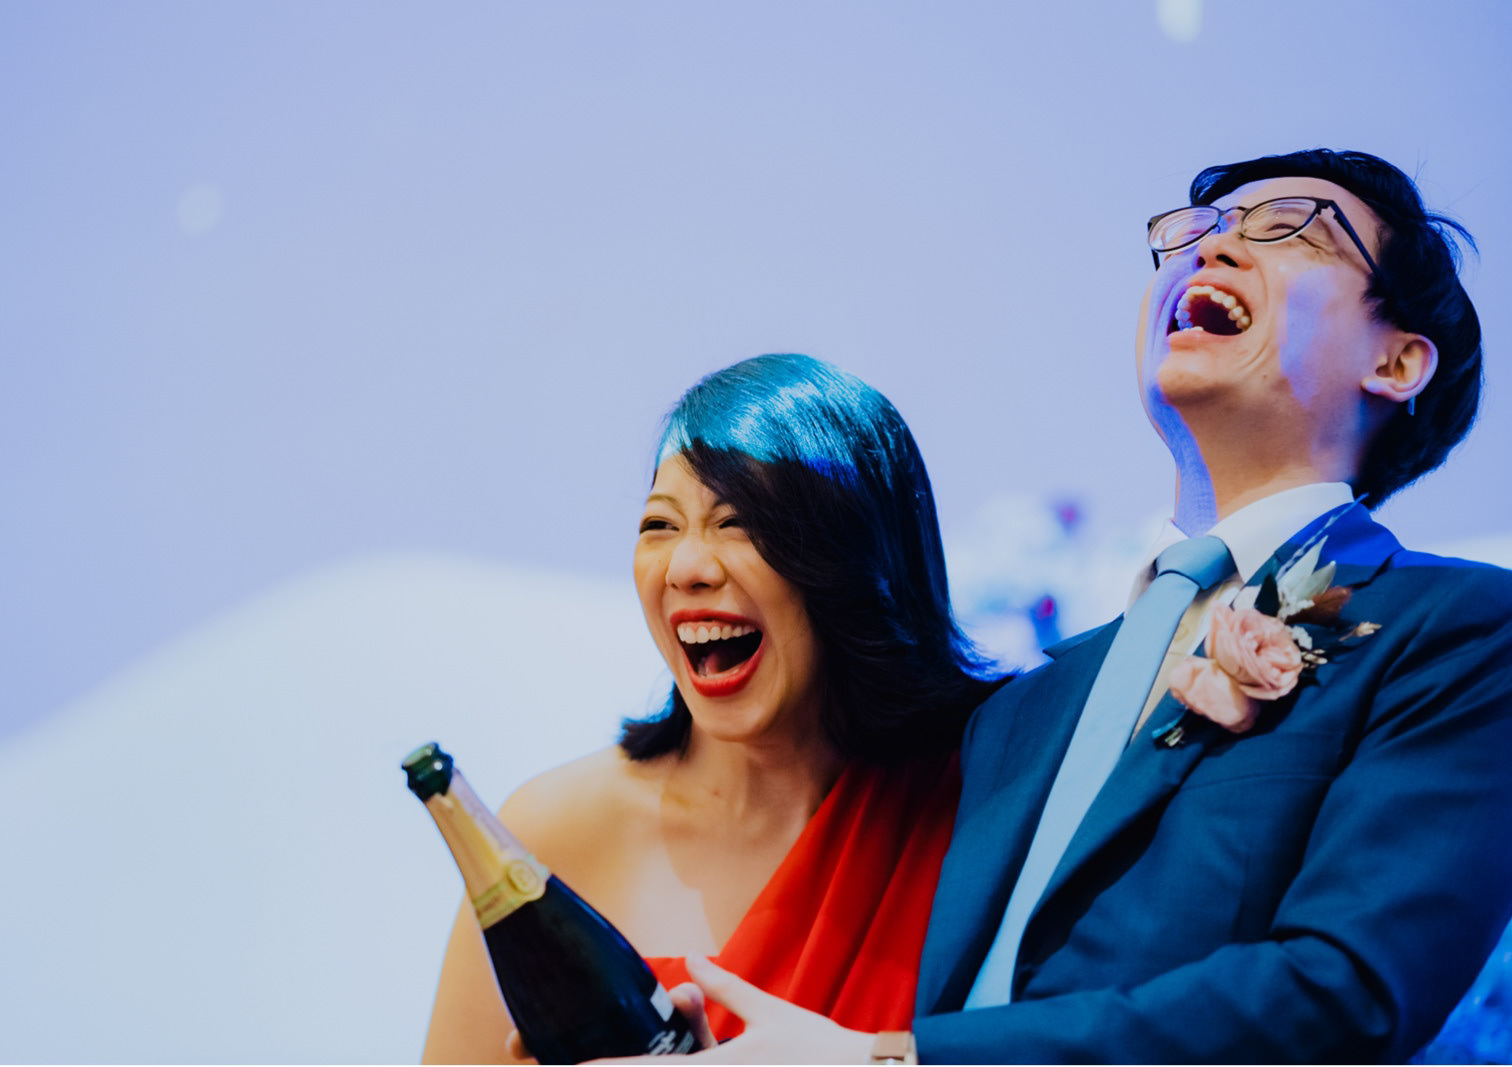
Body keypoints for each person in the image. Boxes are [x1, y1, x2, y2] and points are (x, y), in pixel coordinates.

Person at [654, 149, 1512, 1063]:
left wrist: (889, 1060)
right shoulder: (1017, 710)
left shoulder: (1455, 632)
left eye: (1286, 228)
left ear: (1397, 360)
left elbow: (1344, 992)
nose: (1212, 249)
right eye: (1195, 232)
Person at [419, 353, 1004, 1062]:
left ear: (856, 559)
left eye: (739, 523)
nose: (686, 567)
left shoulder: (989, 808)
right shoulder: (553, 829)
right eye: (660, 525)